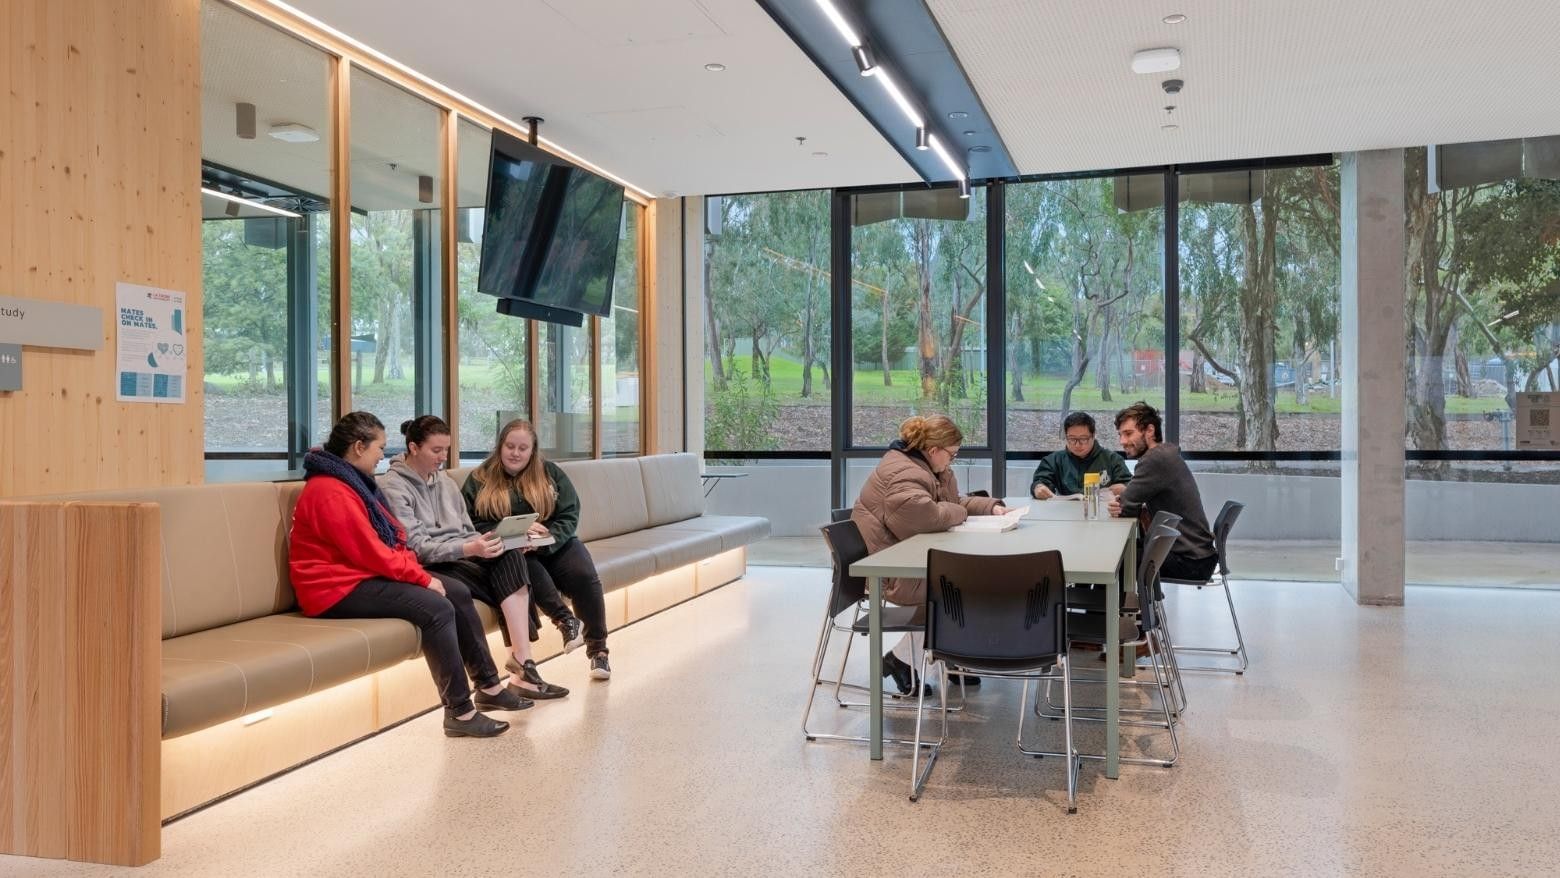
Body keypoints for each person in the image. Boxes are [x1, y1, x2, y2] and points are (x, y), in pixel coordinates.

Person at [288, 412, 524, 738]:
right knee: (437, 607)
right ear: (358, 447)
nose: (383, 455)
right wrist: (423, 578)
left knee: (455, 591)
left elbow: (388, 542)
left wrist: (418, 573)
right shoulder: (330, 490)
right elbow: (370, 551)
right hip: (333, 589)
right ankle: (460, 712)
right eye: (379, 448)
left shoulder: (350, 483)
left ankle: (488, 686)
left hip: (357, 576)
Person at [379, 415, 572, 703]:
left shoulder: (444, 482)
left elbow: (468, 530)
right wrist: (470, 549)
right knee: (504, 578)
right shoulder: (393, 487)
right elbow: (418, 548)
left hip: (462, 557)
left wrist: (485, 541)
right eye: (436, 451)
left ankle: (523, 666)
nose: (443, 457)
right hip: (434, 564)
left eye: (446, 450)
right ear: (413, 447)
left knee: (512, 558)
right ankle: (507, 677)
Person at [851, 414, 1003, 694]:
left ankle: (949, 655)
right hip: (892, 573)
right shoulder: (902, 474)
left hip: (909, 560)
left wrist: (991, 506)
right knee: (956, 588)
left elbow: (953, 503)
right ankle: (902, 660)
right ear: (934, 450)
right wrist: (960, 513)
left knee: (965, 581)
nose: (952, 461)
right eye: (952, 455)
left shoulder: (927, 468)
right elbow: (928, 516)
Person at [463, 419, 614, 681]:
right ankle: (565, 621)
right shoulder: (479, 478)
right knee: (521, 565)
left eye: (523, 448)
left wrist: (550, 533)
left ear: (533, 450)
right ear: (500, 446)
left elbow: (569, 513)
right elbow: (468, 522)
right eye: (510, 446)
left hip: (553, 543)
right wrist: (506, 530)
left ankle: (598, 651)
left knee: (583, 575)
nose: (515, 453)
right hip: (511, 550)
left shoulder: (550, 473)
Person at [1107, 401, 1218, 583]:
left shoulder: (1154, 460)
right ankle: (1128, 610)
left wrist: (1122, 501)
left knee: (1113, 560)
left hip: (1190, 561)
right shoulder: (1165, 454)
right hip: (1197, 554)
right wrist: (1128, 497)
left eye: (1128, 434)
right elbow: (1132, 501)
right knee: (1119, 552)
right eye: (1120, 435)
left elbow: (1125, 507)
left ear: (1149, 431)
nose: (1122, 442)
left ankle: (1110, 611)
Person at [1030, 411, 1133, 500]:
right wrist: (1038, 488)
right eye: (1072, 439)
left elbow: (1129, 485)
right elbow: (1040, 481)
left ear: (1093, 436)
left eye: (1083, 439)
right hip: (1065, 516)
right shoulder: (1054, 460)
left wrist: (1124, 488)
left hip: (1102, 514)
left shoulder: (1112, 459)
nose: (1077, 445)